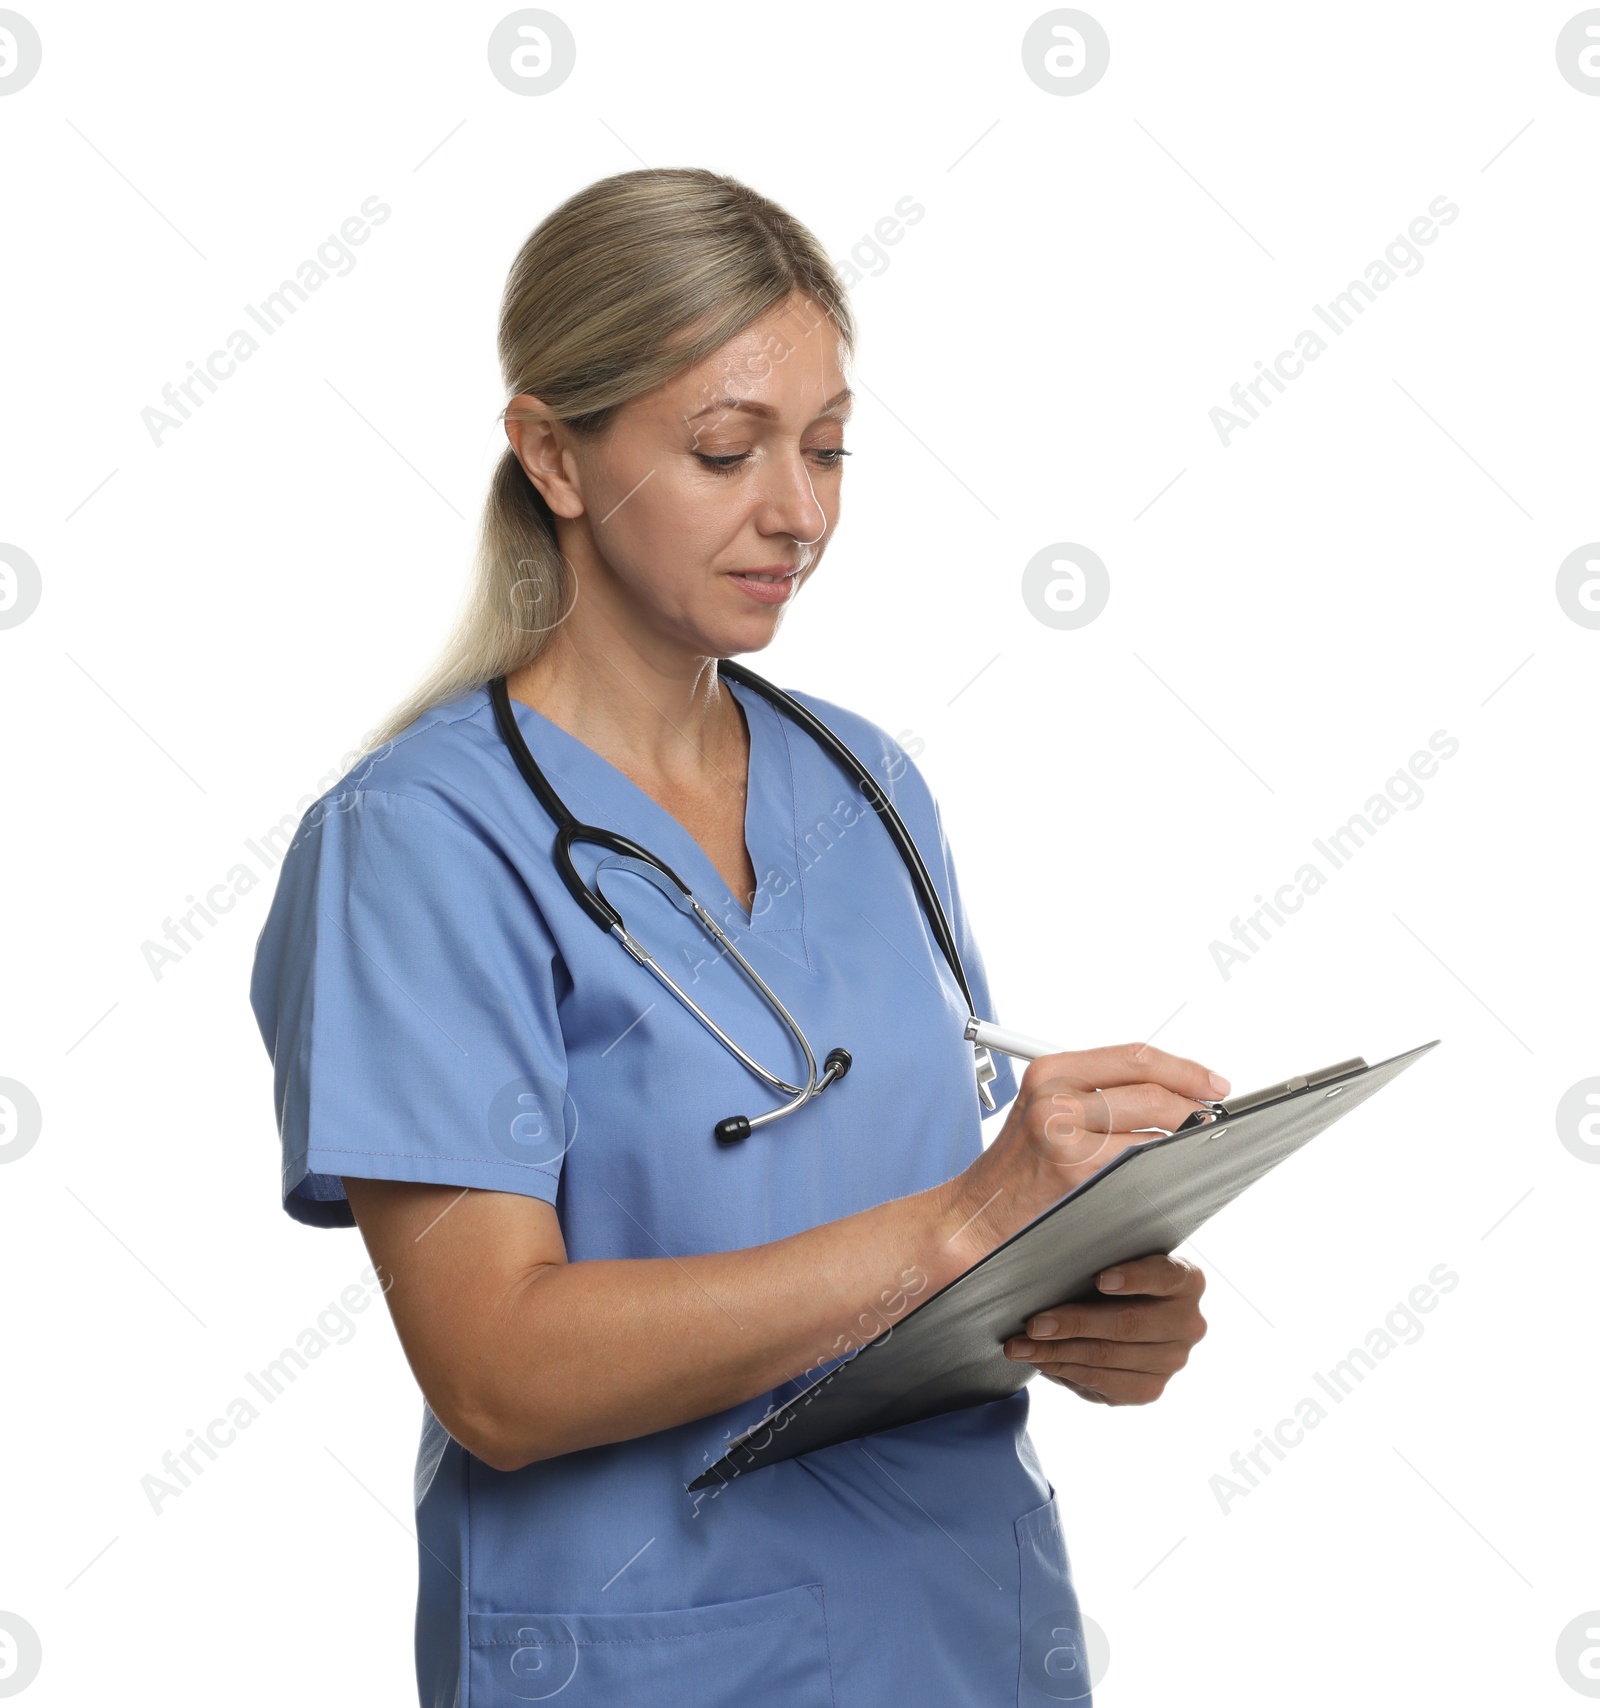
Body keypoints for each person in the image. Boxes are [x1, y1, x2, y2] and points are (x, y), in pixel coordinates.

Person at [249, 167, 1227, 1708]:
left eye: (829, 448)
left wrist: (1081, 1304)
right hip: (654, 1663)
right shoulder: (419, 846)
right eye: (727, 450)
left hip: (973, 1638)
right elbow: (495, 1370)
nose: (802, 511)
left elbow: (916, 1239)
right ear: (553, 454)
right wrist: (962, 1228)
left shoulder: (868, 787)